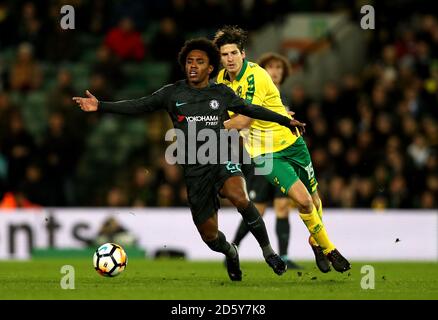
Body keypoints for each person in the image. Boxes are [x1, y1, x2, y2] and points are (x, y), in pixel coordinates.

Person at [73, 38, 306, 281]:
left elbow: (252, 110)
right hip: (195, 172)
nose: (193, 65)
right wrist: (101, 105)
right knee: (211, 237)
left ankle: (268, 252)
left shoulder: (221, 93)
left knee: (239, 196)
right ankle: (230, 251)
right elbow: (138, 105)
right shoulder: (173, 93)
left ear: (211, 68)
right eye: (189, 61)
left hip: (222, 159)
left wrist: (284, 120)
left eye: (200, 61)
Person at [214, 26, 351, 273]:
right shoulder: (221, 81)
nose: (230, 59)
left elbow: (244, 121)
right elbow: (224, 114)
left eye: (234, 53)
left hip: (292, 143)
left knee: (315, 199)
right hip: (265, 153)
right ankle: (330, 249)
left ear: (243, 54)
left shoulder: (256, 76)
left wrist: (211, 126)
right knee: (302, 201)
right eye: (225, 55)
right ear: (220, 58)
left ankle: (315, 242)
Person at [229, 52, 301, 269]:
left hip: (282, 157)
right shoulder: (254, 94)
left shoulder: (284, 98)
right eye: (271, 67)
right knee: (257, 209)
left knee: (282, 207)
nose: (276, 71)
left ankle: (285, 257)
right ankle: (233, 249)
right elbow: (244, 122)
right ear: (262, 72)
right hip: (261, 158)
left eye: (279, 68)